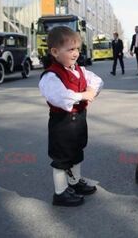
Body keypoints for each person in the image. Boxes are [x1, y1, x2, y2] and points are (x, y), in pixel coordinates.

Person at [39, 26, 103, 207]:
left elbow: (96, 81)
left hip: (79, 119)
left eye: (77, 49)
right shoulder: (51, 76)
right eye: (70, 50)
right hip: (62, 123)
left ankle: (75, 182)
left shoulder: (80, 69)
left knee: (76, 153)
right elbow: (59, 96)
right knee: (61, 158)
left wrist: (90, 90)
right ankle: (60, 192)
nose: (75, 53)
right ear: (55, 52)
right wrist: (82, 95)